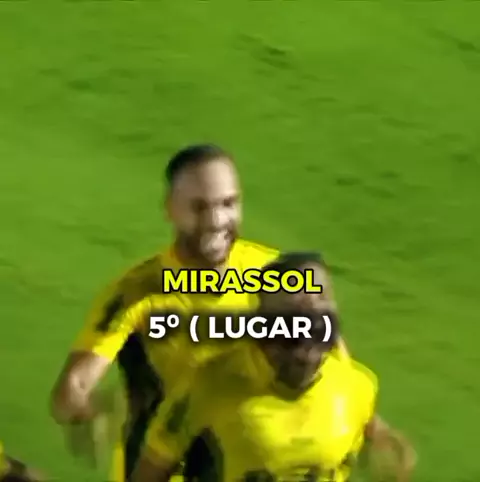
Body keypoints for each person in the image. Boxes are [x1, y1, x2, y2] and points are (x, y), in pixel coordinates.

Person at [50, 144, 281, 482]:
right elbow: (73, 386)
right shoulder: (138, 291)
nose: (216, 221)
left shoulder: (276, 274)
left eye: (228, 204)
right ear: (170, 209)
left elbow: (335, 365)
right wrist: (82, 406)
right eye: (199, 207)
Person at [132, 252, 416, 482]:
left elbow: (364, 419)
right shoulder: (211, 383)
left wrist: (384, 439)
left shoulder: (355, 385)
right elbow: (155, 464)